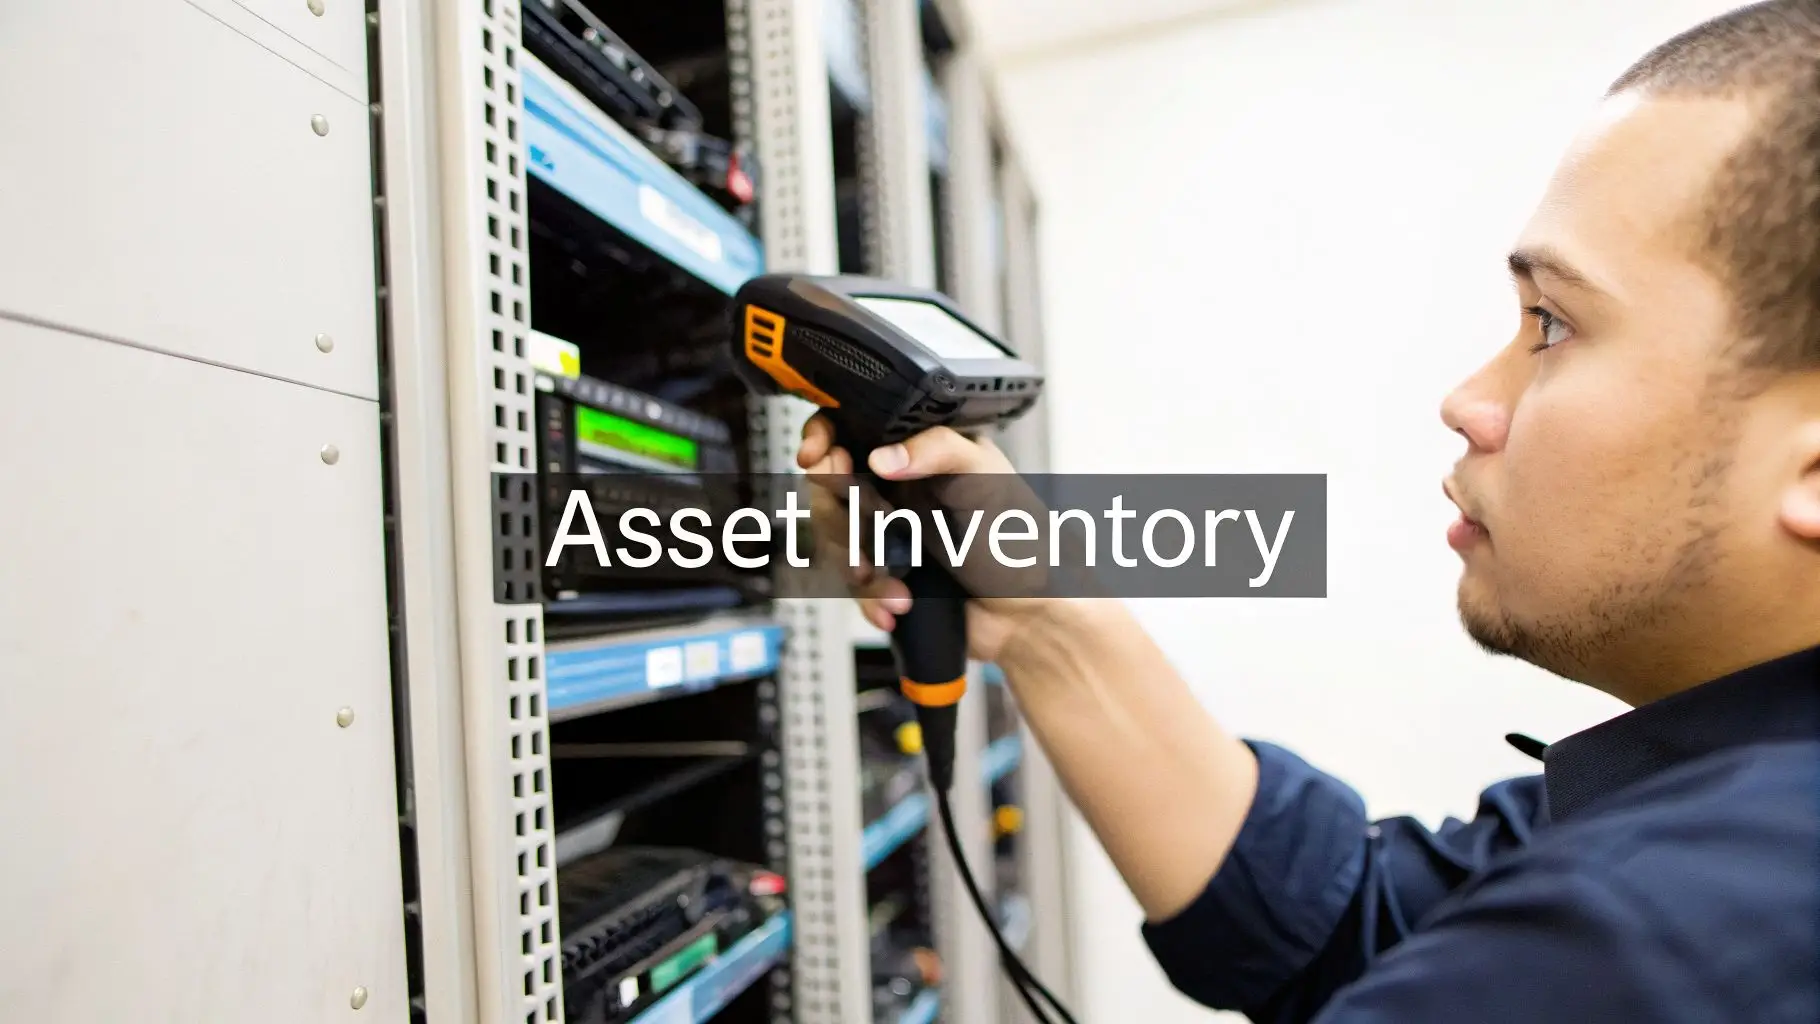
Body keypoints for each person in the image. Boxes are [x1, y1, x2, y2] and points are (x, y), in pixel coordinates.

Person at [795, 2, 1820, 1020]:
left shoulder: (1638, 939)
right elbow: (1350, 928)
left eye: (1550, 323)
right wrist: (1040, 616)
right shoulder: (1708, 808)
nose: (1466, 399)